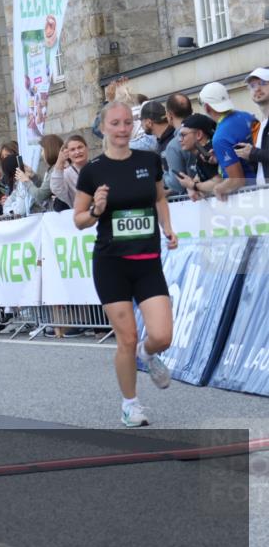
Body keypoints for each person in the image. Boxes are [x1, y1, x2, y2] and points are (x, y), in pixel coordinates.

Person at [74, 102, 176, 428]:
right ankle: (130, 405)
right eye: (115, 123)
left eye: (126, 122)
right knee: (126, 339)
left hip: (148, 261)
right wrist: (96, 210)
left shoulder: (149, 160)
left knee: (162, 336)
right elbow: (79, 220)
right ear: (103, 127)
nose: (122, 129)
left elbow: (159, 197)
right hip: (111, 263)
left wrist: (167, 227)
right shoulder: (93, 170)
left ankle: (148, 356)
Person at [198, 81, 257, 199]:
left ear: (207, 107)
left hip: (249, 195)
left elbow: (237, 180)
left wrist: (218, 188)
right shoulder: (247, 116)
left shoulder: (220, 137)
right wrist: (220, 158)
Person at [173, 114, 222, 200]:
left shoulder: (206, 153)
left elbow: (218, 183)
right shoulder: (203, 151)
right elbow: (201, 176)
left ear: (199, 134)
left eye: (183, 135)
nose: (180, 140)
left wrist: (193, 186)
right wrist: (191, 185)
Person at [233, 67, 269, 181]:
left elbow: (259, 155)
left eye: (262, 83)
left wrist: (253, 153)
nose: (257, 89)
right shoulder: (261, 123)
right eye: (252, 86)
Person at [162, 93, 195, 195]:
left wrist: (163, 175)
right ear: (191, 111)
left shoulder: (173, 146)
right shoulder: (203, 132)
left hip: (191, 201)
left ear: (169, 115)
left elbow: (177, 184)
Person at [50, 135, 91, 210]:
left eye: (80, 147)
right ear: (67, 153)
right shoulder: (67, 174)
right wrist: (60, 162)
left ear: (87, 148)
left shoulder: (98, 166)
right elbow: (56, 188)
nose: (77, 152)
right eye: (72, 149)